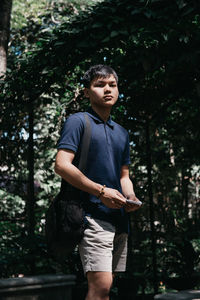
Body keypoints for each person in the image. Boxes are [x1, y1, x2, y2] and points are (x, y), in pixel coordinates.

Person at [54, 64, 141, 300]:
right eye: (99, 85)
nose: (107, 90)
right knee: (100, 287)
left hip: (118, 218)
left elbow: (124, 177)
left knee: (107, 287)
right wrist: (101, 191)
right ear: (86, 92)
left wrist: (130, 198)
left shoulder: (122, 132)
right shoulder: (78, 121)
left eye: (112, 85)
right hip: (91, 214)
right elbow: (61, 164)